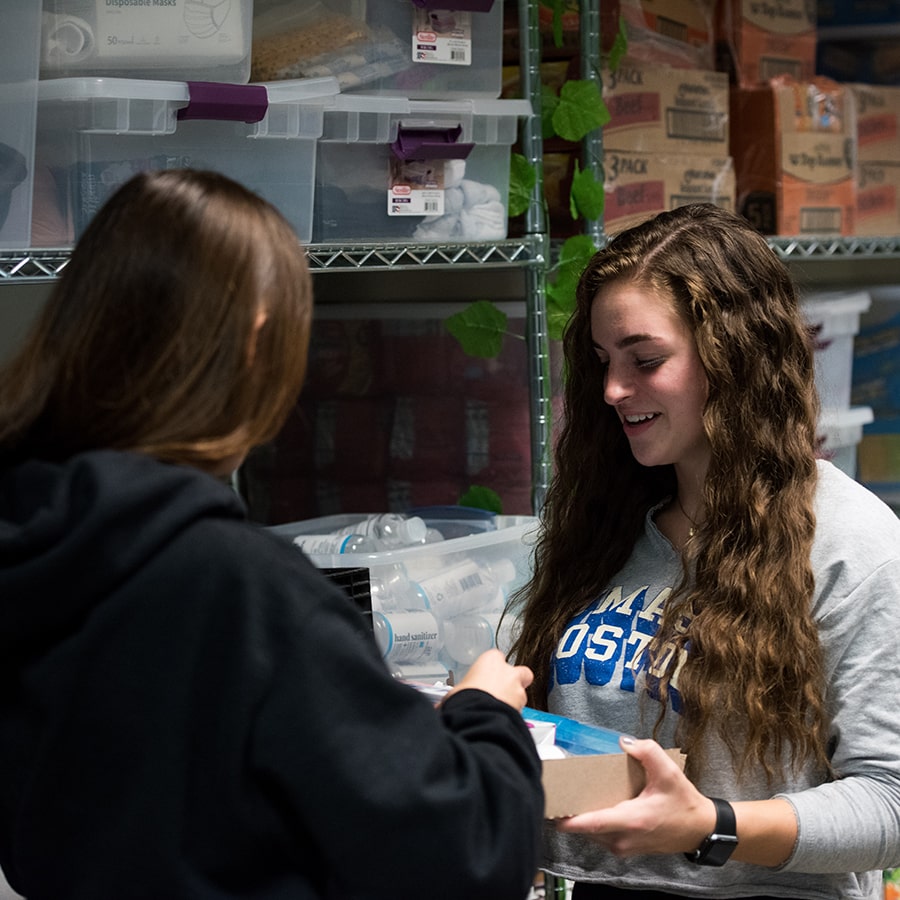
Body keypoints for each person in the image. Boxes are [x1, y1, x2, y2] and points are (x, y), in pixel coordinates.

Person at [0, 169, 544, 900]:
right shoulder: (239, 588)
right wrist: (486, 713)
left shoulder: (34, 538)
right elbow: (464, 854)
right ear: (256, 342)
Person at [508, 203, 900, 899]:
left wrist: (709, 824)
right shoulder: (606, 526)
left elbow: (889, 803)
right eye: (602, 361)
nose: (612, 390)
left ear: (735, 355)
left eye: (645, 359)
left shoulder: (851, 546)